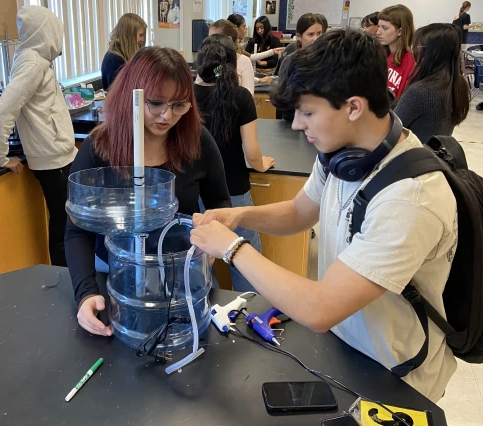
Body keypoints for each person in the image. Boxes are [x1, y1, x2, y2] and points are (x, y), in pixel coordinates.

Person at [191, 30, 457, 403]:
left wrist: (233, 249)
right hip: (346, 347)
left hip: (394, 373)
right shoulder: (342, 154)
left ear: (353, 107)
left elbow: (319, 309)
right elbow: (299, 212)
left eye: (308, 111)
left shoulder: (410, 199)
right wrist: (238, 215)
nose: (297, 124)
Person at [66, 47, 231, 336]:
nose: (167, 115)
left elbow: (220, 203)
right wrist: (85, 293)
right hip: (117, 278)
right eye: (156, 103)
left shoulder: (198, 142)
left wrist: (211, 244)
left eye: (179, 105)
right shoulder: (99, 148)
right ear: (132, 95)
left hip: (185, 275)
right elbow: (77, 230)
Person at [0, 5, 77, 267]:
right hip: (52, 161)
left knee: (68, 221)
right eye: (55, 33)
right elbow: (1, 112)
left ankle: (71, 276)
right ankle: (63, 279)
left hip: (59, 156)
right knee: (63, 225)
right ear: (44, 33)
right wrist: (1, 157)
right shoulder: (32, 64)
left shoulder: (35, 61)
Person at [195, 35, 275, 292]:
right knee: (244, 259)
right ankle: (250, 316)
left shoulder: (185, 94)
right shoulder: (240, 97)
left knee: (198, 259)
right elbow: (252, 153)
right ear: (231, 64)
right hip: (233, 191)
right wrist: (261, 165)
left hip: (193, 191)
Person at [395, 24, 470, 144]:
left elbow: (389, 131)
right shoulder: (457, 84)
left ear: (431, 52)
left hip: (411, 157)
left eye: (417, 46)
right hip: (431, 156)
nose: (413, 50)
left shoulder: (420, 91)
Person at [275, 13, 328, 122]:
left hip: (322, 119)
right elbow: (283, 95)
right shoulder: (291, 61)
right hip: (293, 119)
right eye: (310, 34)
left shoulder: (328, 59)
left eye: (319, 33)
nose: (316, 39)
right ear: (299, 36)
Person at [377, 5, 416, 100]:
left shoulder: (412, 62)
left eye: (384, 28)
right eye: (378, 27)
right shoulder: (382, 55)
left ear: (399, 31)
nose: (378, 32)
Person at [101, 13, 147, 91]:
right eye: (140, 35)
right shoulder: (114, 60)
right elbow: (118, 93)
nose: (142, 40)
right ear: (129, 35)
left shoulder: (127, 55)